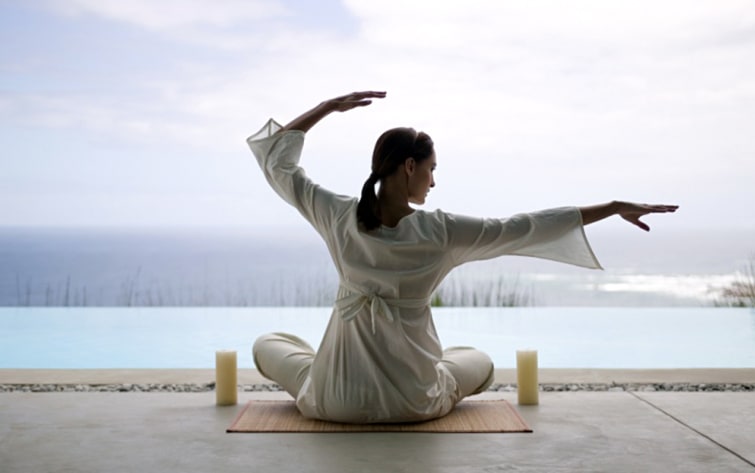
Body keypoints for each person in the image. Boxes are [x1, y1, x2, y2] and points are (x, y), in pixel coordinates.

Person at [246, 91, 678, 424]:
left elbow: (278, 164)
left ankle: (320, 368)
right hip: (416, 404)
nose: (434, 181)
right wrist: (612, 205)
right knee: (478, 361)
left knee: (268, 345)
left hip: (332, 402)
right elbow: (524, 226)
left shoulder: (338, 215)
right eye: (432, 169)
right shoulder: (441, 230)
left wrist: (325, 107)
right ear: (411, 167)